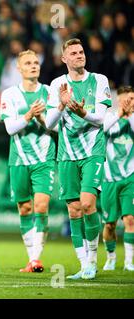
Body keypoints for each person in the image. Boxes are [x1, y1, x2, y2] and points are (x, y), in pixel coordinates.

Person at [46, 38, 112, 280]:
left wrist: (82, 112)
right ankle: (83, 263)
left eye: (81, 52)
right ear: (64, 59)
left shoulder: (99, 80)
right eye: (73, 53)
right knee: (74, 210)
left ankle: (93, 260)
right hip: (66, 154)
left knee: (87, 204)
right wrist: (61, 106)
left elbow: (102, 119)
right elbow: (49, 124)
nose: (79, 55)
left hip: (93, 150)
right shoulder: (57, 84)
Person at [0, 50, 55, 273]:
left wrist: (41, 118)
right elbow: (10, 128)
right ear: (19, 69)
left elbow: (56, 127)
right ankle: (31, 258)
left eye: (36, 62)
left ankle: (35, 259)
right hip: (19, 160)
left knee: (41, 205)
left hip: (44, 159)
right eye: (28, 63)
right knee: (24, 209)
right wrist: (29, 115)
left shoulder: (50, 92)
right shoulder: (10, 94)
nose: (33, 66)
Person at [101, 85, 134, 271]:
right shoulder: (109, 117)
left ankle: (129, 261)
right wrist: (120, 114)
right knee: (110, 224)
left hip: (130, 177)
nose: (130, 102)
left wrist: (129, 117)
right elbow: (102, 130)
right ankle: (111, 258)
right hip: (109, 178)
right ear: (118, 100)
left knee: (130, 219)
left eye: (133, 98)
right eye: (126, 99)